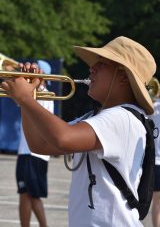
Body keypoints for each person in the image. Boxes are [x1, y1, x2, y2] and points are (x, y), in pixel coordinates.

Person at [2, 36, 157, 226]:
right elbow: (40, 144)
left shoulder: (123, 118)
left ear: (123, 77)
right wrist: (26, 101)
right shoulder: (96, 116)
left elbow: (63, 138)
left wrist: (27, 98)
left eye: (101, 64)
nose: (92, 68)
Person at [15, 60, 54, 227]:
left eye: (33, 70)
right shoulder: (37, 93)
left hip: (32, 153)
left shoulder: (42, 94)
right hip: (30, 152)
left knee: (29, 194)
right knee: (28, 193)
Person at [149, 79, 160, 227]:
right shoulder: (154, 107)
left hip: (156, 161)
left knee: (157, 202)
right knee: (157, 201)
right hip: (156, 160)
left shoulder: (153, 107)